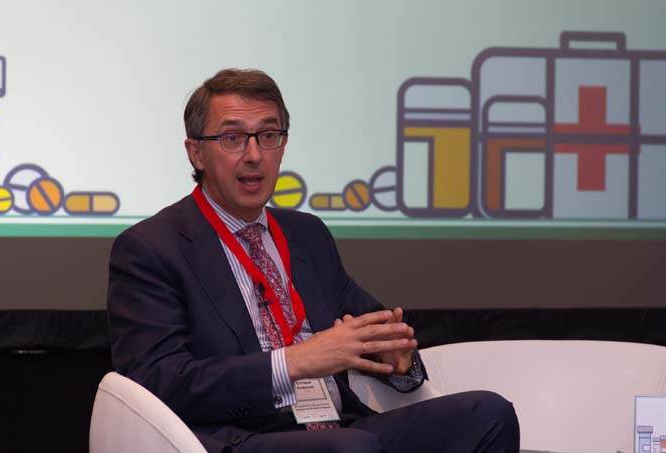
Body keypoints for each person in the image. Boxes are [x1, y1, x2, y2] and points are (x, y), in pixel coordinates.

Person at [107, 68, 519, 453]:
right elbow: (160, 382)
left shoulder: (306, 234)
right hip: (242, 436)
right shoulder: (152, 248)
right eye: (233, 138)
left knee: (488, 413)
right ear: (196, 153)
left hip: (339, 425)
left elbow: (368, 328)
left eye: (268, 135)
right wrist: (293, 362)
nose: (254, 155)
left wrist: (396, 359)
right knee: (351, 447)